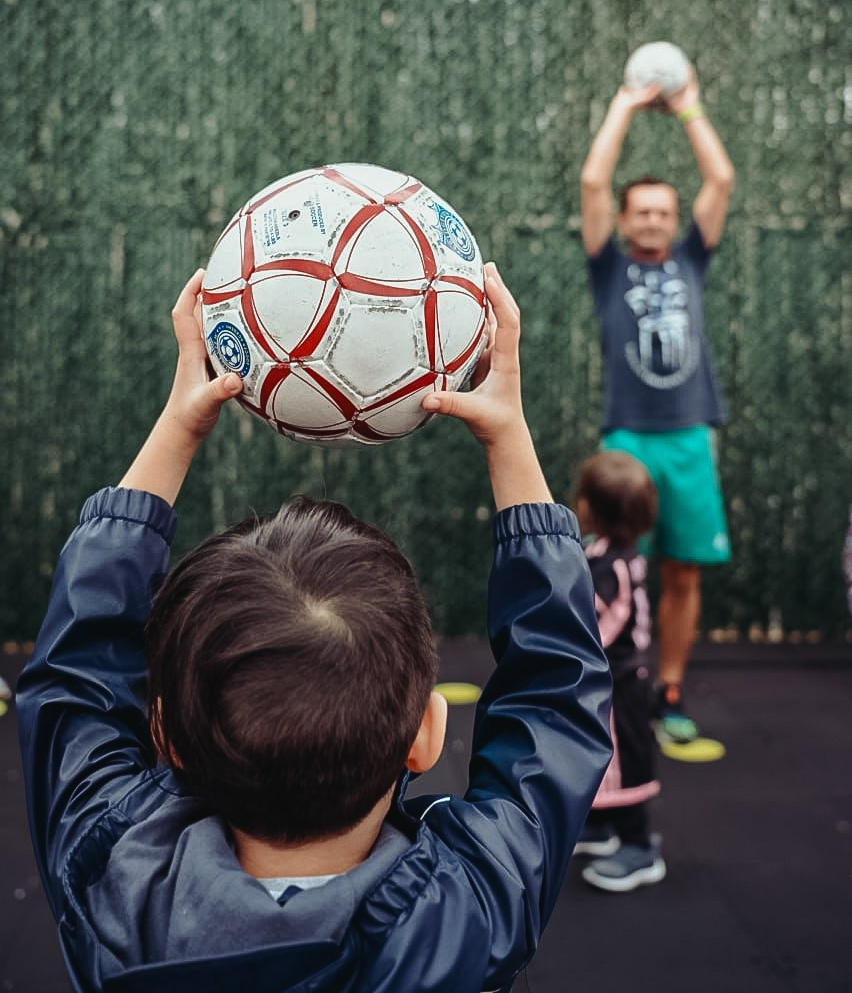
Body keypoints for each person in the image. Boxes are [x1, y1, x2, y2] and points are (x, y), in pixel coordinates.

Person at [17, 263, 612, 993]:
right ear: (426, 736)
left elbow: (75, 673)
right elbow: (556, 704)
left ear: (165, 734)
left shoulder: (109, 870)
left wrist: (178, 425)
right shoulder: (468, 913)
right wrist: (509, 437)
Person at [580, 62, 735, 744]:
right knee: (614, 569)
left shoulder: (691, 259)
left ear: (675, 221)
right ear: (622, 220)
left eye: (663, 212)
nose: (652, 219)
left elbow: (720, 180)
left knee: (682, 571)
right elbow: (593, 181)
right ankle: (612, 690)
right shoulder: (607, 266)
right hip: (628, 439)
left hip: (688, 436)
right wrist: (624, 103)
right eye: (640, 210)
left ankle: (667, 689)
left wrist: (689, 107)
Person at [572, 449, 665, 892]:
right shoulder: (610, 555)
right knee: (597, 754)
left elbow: (593, 628)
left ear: (591, 507)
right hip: (610, 681)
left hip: (620, 685)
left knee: (623, 759)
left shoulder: (611, 568)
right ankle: (600, 825)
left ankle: (639, 845)